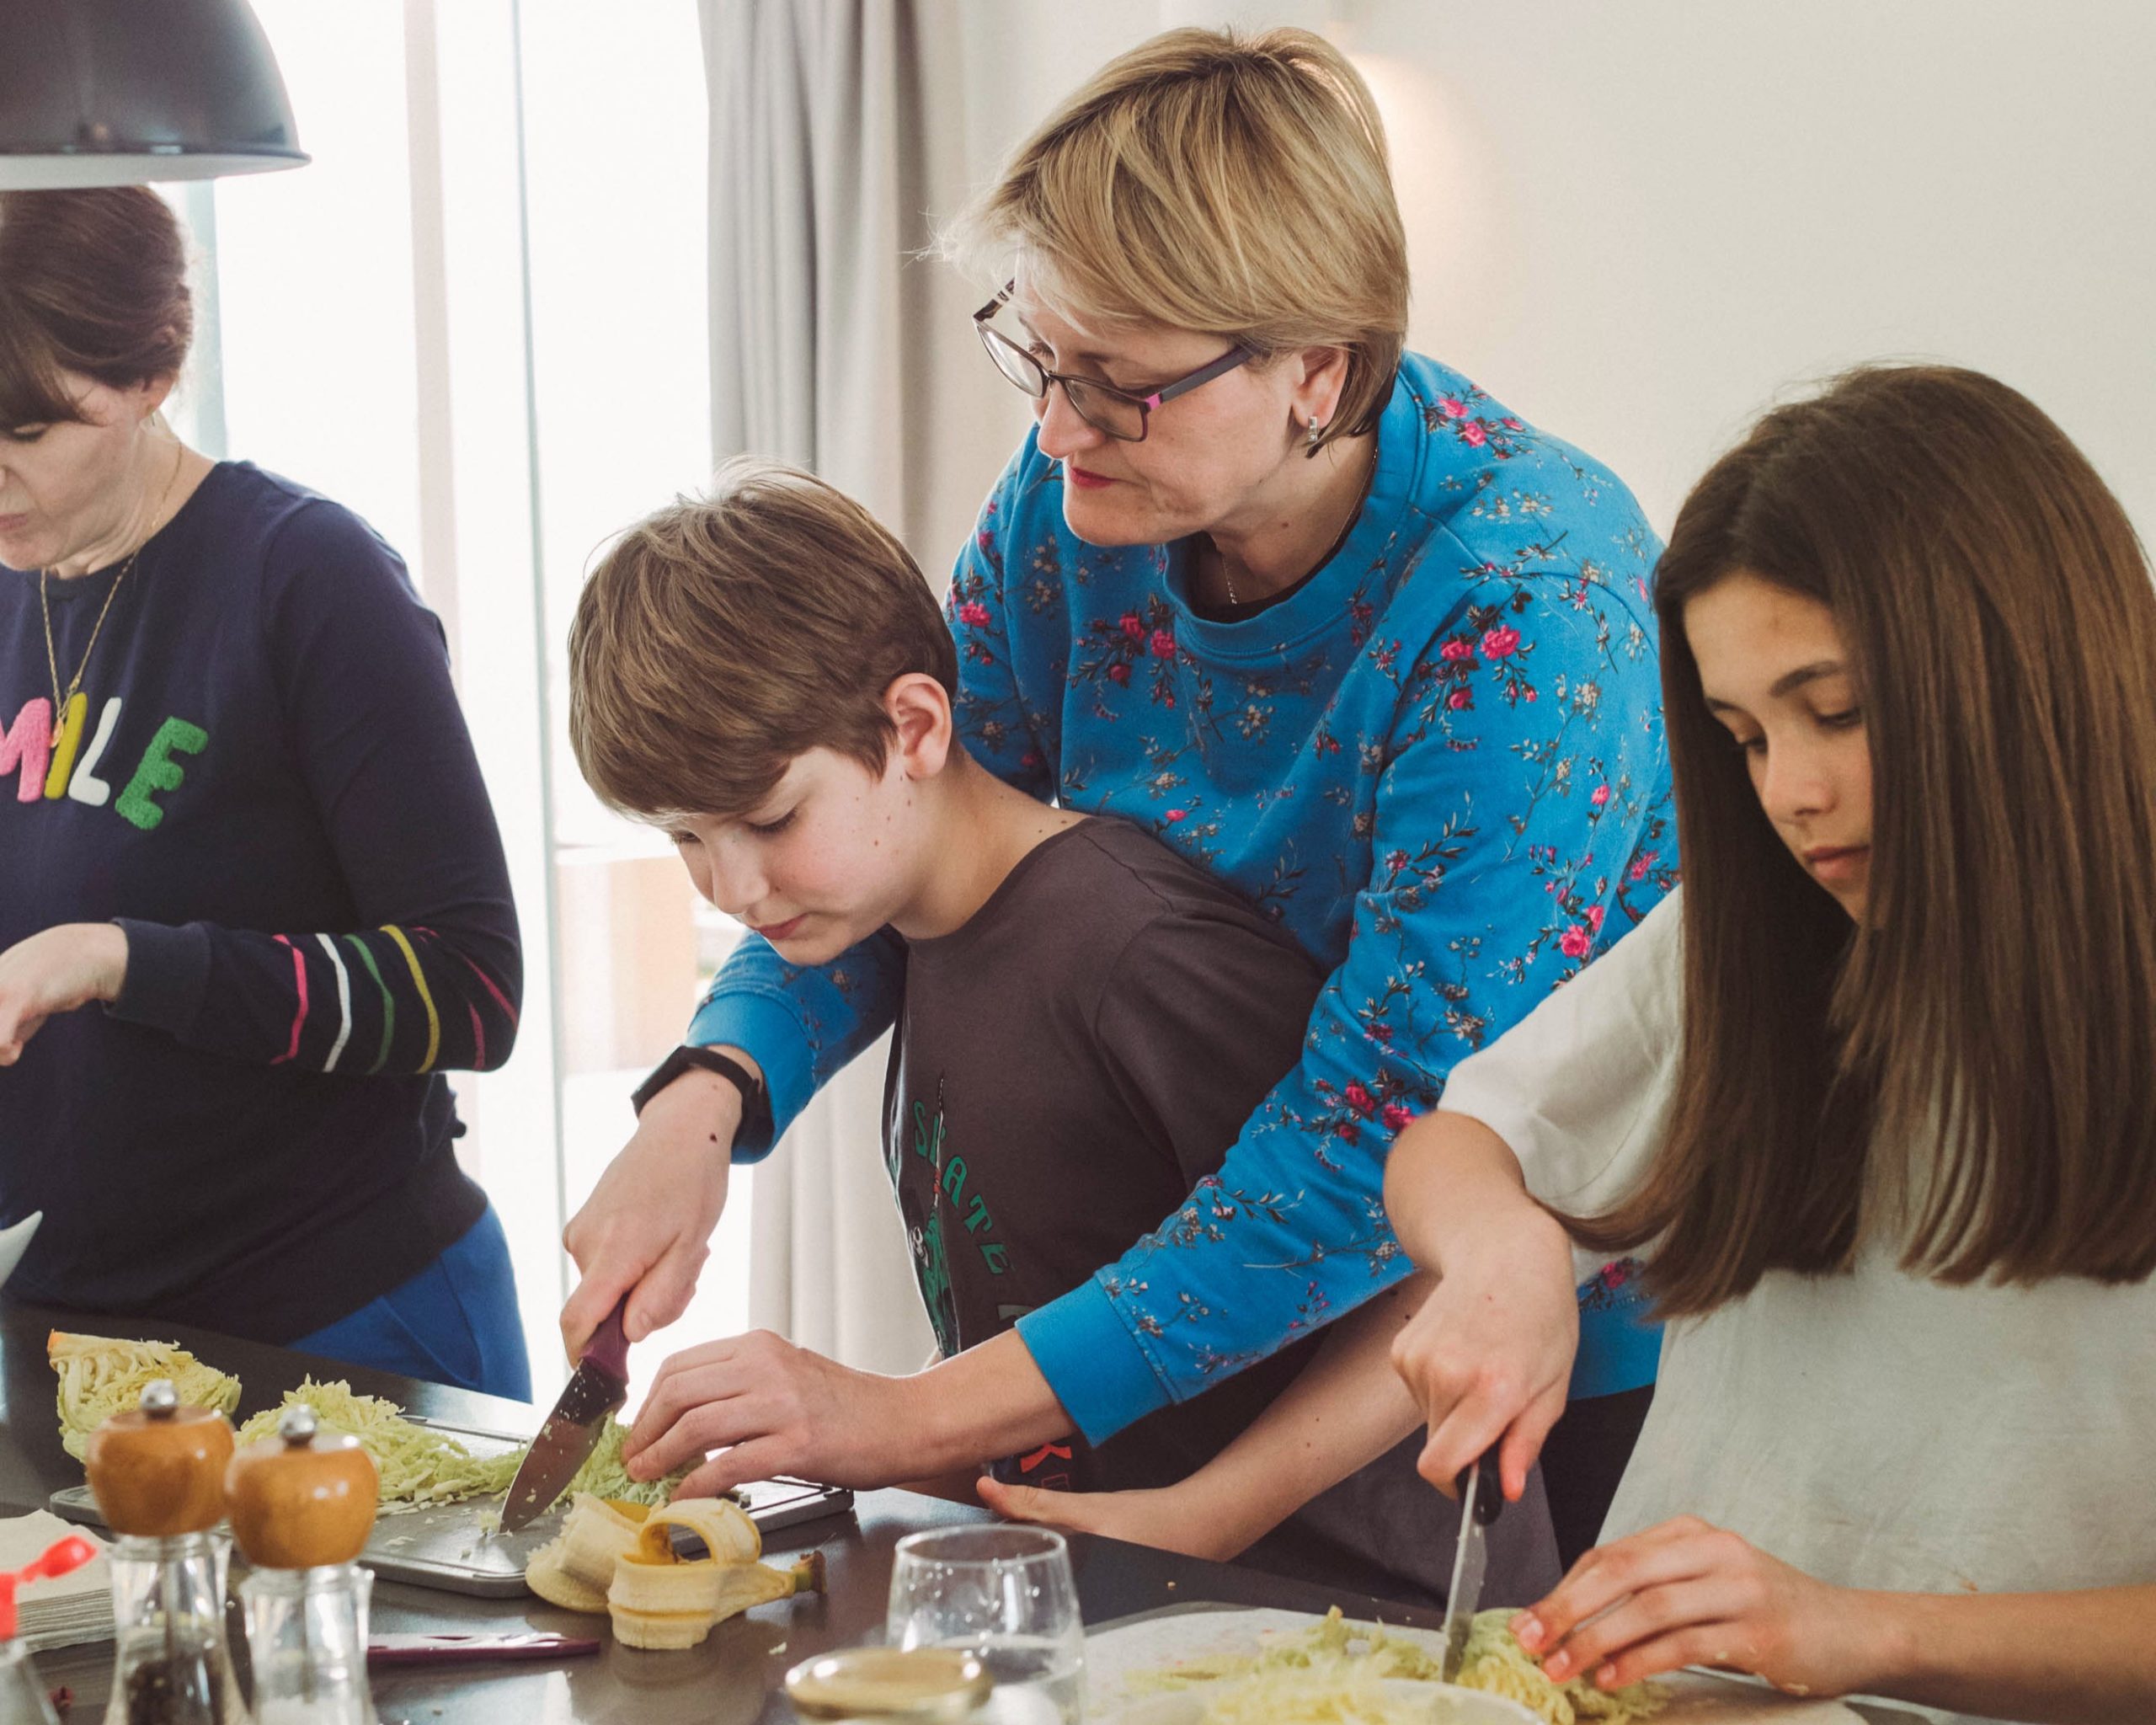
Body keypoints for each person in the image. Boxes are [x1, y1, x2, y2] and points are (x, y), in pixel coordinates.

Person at [567, 26, 1675, 1565]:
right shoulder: (1073, 507)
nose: (1054, 433)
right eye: (1041, 358)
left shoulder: (1527, 611)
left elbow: (1380, 1142)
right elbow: (918, 834)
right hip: (1195, 1309)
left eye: (1122, 389)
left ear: (1317, 375)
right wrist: (709, 1095)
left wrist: (903, 1417)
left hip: (1518, 1349)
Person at [1084, 366, 2149, 1720]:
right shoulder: (1762, 940)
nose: (1792, 795)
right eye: (1744, 737)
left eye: (1840, 711)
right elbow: (1459, 1143)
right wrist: (1505, 1249)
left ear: (2017, 661)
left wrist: (1850, 1632)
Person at [563, 459, 1553, 1603]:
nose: (730, 886)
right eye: (687, 838)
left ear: (917, 726)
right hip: (1142, 1600)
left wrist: (1197, 1508)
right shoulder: (909, 931)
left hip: (1362, 1606)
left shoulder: (1130, 951)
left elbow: (1424, 1266)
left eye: (767, 819)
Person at [0, 187, 529, 1399]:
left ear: (149, 376)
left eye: (27, 429)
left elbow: (472, 990)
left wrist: (122, 959)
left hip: (343, 1323)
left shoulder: (306, 578)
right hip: (73, 1347)